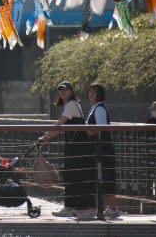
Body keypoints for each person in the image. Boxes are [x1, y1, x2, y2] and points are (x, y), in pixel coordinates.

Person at [38, 81, 96, 220]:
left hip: (77, 147)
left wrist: (45, 137)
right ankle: (71, 207)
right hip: (74, 146)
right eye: (60, 90)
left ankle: (81, 207)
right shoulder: (69, 105)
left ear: (71, 91)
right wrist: (47, 136)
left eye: (65, 89)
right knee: (71, 175)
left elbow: (59, 126)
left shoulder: (71, 105)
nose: (62, 92)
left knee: (76, 176)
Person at [86, 83, 119, 218]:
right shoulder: (93, 109)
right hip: (98, 149)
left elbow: (101, 128)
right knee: (102, 178)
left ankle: (112, 207)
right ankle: (105, 207)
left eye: (95, 91)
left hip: (103, 150)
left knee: (106, 177)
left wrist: (88, 131)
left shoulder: (99, 109)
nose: (91, 94)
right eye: (90, 91)